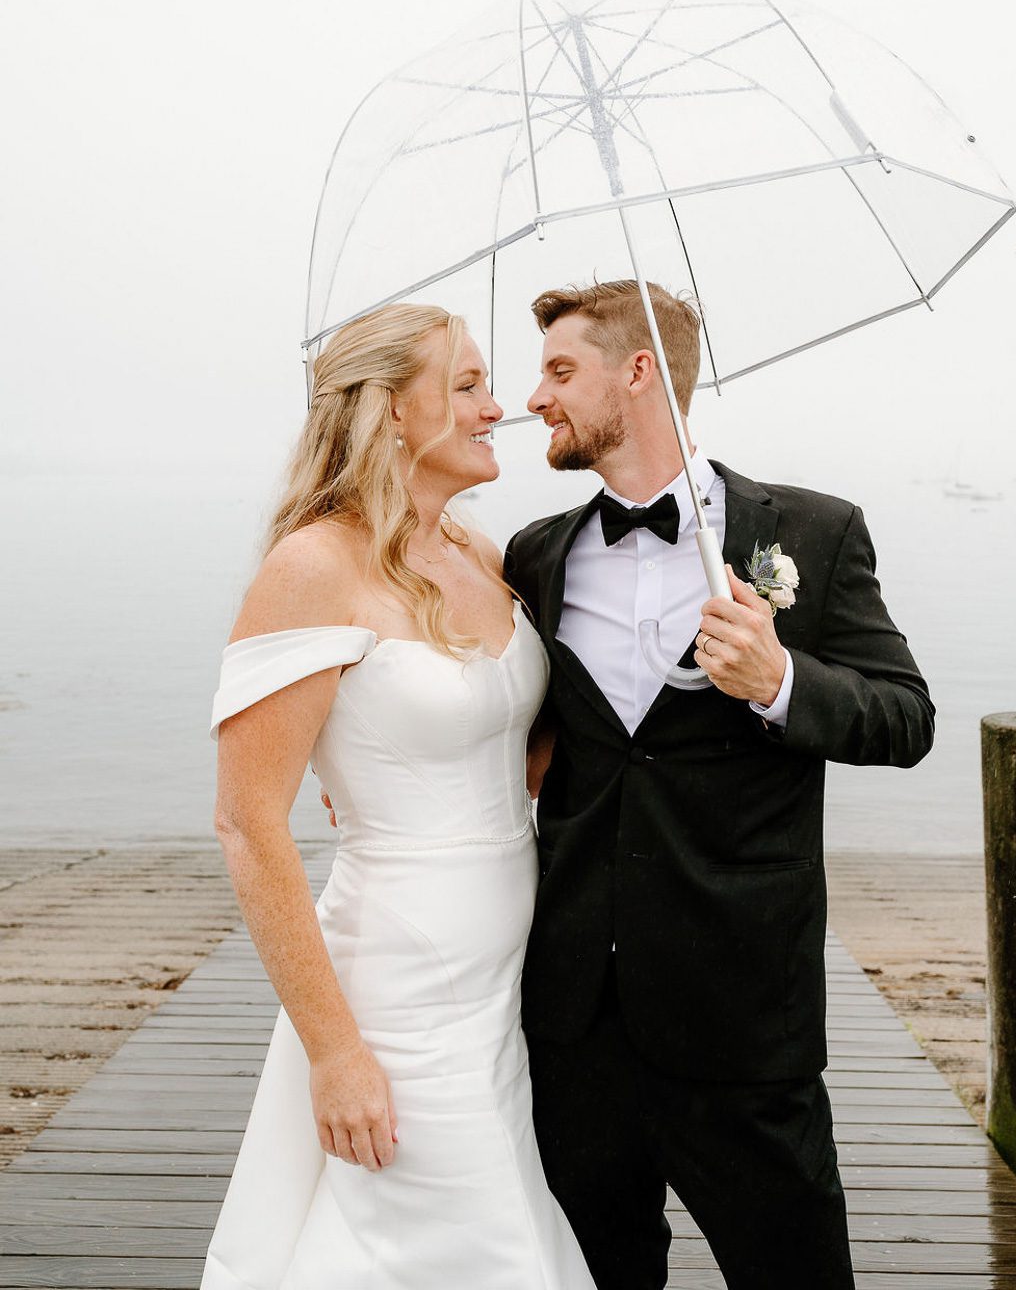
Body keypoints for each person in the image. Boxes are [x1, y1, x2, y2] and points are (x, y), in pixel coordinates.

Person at [503, 279, 935, 1290]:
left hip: (744, 1017)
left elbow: (905, 716)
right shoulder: (536, 557)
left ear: (639, 371)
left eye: (561, 370)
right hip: (574, 1021)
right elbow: (511, 727)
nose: (537, 397)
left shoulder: (813, 536)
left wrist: (781, 680)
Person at [200, 303, 596, 1289]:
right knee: (469, 1240)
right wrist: (335, 1052)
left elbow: (524, 744)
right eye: (466, 385)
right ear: (387, 411)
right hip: (399, 988)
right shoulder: (311, 567)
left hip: (503, 979)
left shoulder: (479, 555)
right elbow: (250, 825)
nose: (497, 406)